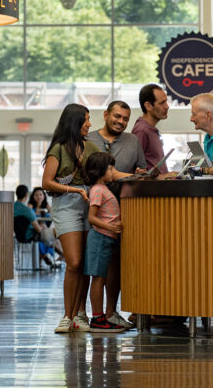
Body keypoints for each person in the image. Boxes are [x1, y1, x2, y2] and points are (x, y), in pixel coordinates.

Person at [42, 104, 100, 334]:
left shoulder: (91, 147)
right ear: (75, 123)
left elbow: (106, 171)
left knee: (84, 264)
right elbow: (47, 182)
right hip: (67, 204)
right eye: (86, 120)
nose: (89, 124)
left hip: (89, 204)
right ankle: (66, 316)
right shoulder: (58, 149)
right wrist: (75, 191)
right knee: (74, 262)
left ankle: (79, 313)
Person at [86, 100, 143, 330]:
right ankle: (93, 316)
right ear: (106, 114)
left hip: (116, 220)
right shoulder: (88, 139)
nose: (120, 122)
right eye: (117, 116)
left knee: (114, 269)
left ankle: (109, 313)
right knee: (94, 273)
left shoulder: (133, 142)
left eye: (125, 119)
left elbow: (139, 171)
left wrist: (141, 173)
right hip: (100, 225)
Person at [83, 151, 126, 333]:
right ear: (100, 170)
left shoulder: (103, 188)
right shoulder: (98, 190)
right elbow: (92, 218)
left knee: (102, 277)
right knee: (98, 279)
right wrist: (110, 227)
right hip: (100, 238)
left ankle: (100, 317)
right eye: (110, 168)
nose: (113, 172)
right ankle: (98, 318)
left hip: (106, 239)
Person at [13, 184, 56, 268]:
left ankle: (48, 257)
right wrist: (42, 228)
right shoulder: (28, 210)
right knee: (56, 234)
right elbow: (38, 230)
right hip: (29, 235)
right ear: (27, 195)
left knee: (48, 238)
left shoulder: (12, 207)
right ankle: (62, 256)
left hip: (18, 236)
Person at [132, 84, 170, 172]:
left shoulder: (151, 130)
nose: (167, 106)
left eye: (166, 101)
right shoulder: (141, 131)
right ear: (148, 106)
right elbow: (138, 173)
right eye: (162, 103)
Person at [28, 187, 64, 260]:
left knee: (52, 238)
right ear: (33, 196)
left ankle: (49, 258)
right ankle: (60, 256)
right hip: (35, 230)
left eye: (41, 195)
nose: (39, 197)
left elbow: (54, 214)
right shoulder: (30, 205)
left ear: (44, 196)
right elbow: (29, 215)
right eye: (36, 195)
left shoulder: (46, 205)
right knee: (45, 240)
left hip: (44, 229)